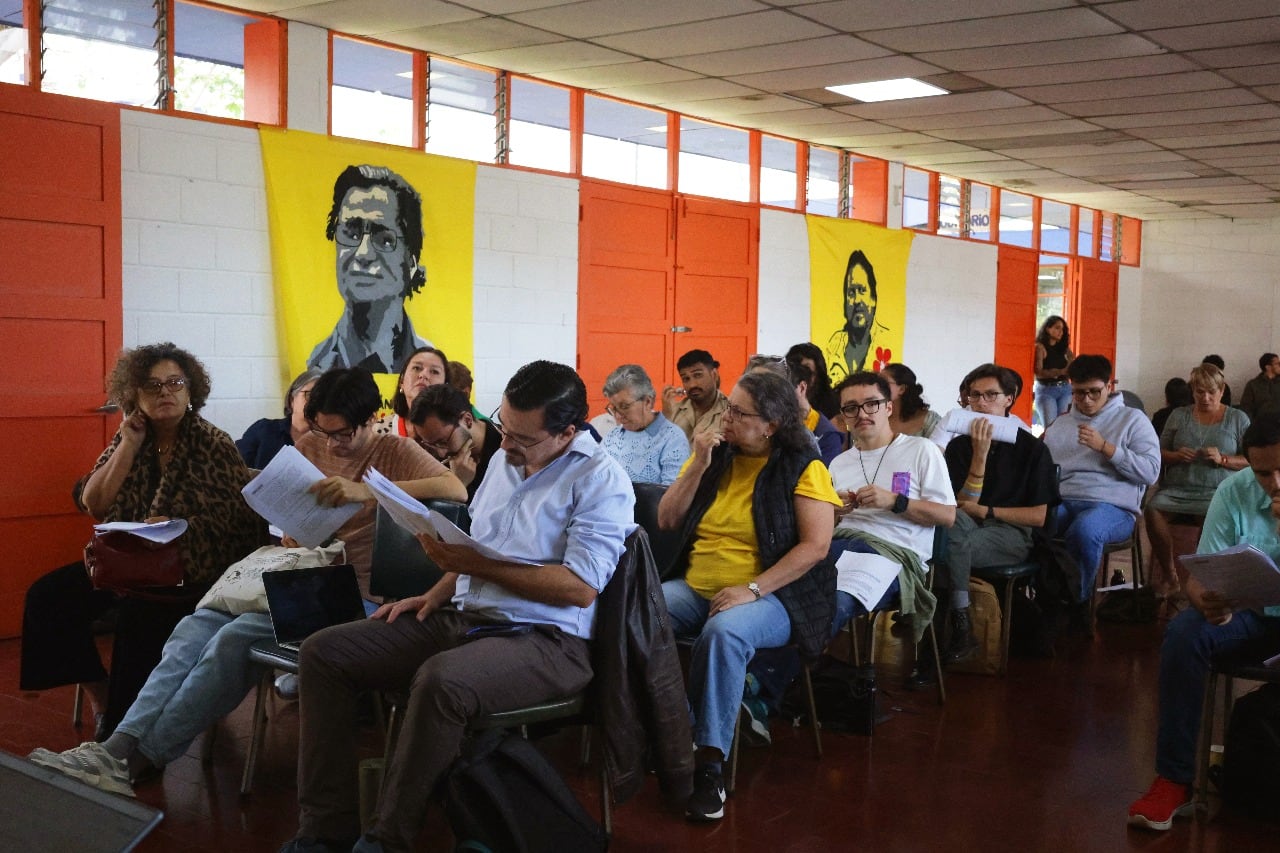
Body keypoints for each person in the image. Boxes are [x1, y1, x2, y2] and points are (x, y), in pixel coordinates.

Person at [26, 367, 465, 796]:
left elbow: (455, 489)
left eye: (343, 434)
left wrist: (368, 490)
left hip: (355, 593)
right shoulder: (312, 442)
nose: (332, 443)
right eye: (323, 431)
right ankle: (117, 747)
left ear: (370, 420)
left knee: (234, 638)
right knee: (194, 627)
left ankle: (144, 758)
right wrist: (293, 522)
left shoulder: (392, 452)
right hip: (301, 574)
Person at [278, 361, 634, 853]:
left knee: (442, 681)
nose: (504, 445)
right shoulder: (507, 464)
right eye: (503, 426)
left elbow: (580, 589)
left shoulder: (601, 479)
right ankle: (323, 829)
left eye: (522, 438)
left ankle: (386, 840)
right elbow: (476, 546)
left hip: (549, 641)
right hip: (468, 617)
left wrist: (472, 565)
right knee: (323, 654)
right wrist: (433, 593)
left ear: (567, 432)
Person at [20, 343, 266, 740]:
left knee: (139, 614)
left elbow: (232, 522)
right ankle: (103, 698)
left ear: (190, 393)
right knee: (47, 599)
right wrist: (128, 444)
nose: (164, 392)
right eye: (151, 386)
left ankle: (124, 735)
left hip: (192, 570)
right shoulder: (131, 437)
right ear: (133, 396)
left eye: (174, 383)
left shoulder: (212, 443)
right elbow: (94, 503)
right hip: (128, 562)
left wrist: (179, 526)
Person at [657, 370, 840, 822]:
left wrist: (752, 589)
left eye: (739, 412)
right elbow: (666, 519)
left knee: (724, 633)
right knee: (637, 611)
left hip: (776, 595)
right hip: (697, 586)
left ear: (772, 425)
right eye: (728, 407)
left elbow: (815, 547)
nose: (727, 417)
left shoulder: (804, 466)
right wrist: (698, 461)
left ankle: (709, 764)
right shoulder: (715, 456)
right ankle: (673, 730)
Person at [1127, 413, 1280, 832]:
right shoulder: (1235, 491)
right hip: (1250, 616)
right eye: (1264, 472)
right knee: (1184, 632)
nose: (1276, 483)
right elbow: (1199, 578)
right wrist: (1208, 601)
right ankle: (1174, 779)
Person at [827, 372, 956, 655]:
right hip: (840, 546)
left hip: (893, 556)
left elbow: (947, 516)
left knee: (835, 602)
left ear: (888, 407)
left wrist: (896, 501)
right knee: (790, 592)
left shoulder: (921, 450)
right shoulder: (838, 463)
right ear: (844, 416)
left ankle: (771, 680)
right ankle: (781, 678)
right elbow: (825, 525)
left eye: (871, 404)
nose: (861, 413)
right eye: (851, 408)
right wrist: (834, 513)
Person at [942, 364, 1058, 662]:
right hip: (967, 524)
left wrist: (988, 510)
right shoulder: (958, 447)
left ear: (1009, 398)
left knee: (950, 547)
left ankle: (955, 623)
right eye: (974, 396)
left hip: (1013, 533)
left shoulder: (1032, 449)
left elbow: (1038, 517)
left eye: (991, 395)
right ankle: (959, 623)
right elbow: (961, 505)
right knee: (948, 530)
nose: (981, 403)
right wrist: (979, 456)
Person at [1042, 355, 1161, 608]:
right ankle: (1045, 600)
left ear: (1110, 386)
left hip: (1114, 506)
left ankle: (1077, 604)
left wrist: (1106, 448)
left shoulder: (1132, 419)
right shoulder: (1061, 424)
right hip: (1065, 498)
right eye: (1079, 393)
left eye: (1094, 392)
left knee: (1085, 530)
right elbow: (1045, 471)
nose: (1086, 400)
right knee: (1036, 525)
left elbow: (1151, 472)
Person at [307, 165, 430, 374]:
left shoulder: (429, 368)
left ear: (411, 262)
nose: (363, 253)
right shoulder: (316, 366)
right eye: (351, 235)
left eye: (384, 240)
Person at [1145, 364, 1250, 599]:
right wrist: (1176, 455)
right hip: (1178, 488)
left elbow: (1252, 459)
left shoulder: (1237, 418)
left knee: (1212, 516)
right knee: (1152, 510)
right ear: (1192, 391)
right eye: (1199, 392)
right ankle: (1171, 577)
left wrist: (1223, 459)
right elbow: (1157, 451)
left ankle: (1202, 582)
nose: (1205, 397)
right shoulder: (1179, 415)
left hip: (1217, 491)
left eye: (1211, 392)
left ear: (1222, 390)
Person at [407, 383, 501, 502]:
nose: (441, 453)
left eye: (443, 442)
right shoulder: (437, 456)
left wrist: (457, 486)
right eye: (432, 445)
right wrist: (456, 483)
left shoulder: (507, 453)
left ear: (467, 420)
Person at [599, 364, 689, 486]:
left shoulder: (672, 438)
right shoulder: (611, 438)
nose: (618, 416)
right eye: (613, 408)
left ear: (647, 402)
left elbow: (671, 496)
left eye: (624, 407)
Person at [236, 368, 324, 469]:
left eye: (322, 398)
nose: (316, 402)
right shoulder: (264, 430)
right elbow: (236, 470)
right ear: (292, 399)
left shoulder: (330, 442)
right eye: (309, 395)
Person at [825, 250, 885, 380]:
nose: (857, 300)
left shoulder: (885, 339)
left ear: (873, 298)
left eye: (862, 290)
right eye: (851, 292)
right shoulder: (833, 347)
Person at [374, 345, 449, 441]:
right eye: (417, 368)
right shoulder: (378, 433)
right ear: (402, 381)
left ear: (446, 386)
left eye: (434, 371)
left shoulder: (454, 432)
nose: (423, 375)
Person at [783, 356, 843, 464]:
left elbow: (824, 478)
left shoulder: (827, 434)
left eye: (783, 390)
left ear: (802, 388)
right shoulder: (774, 423)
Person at [663, 349, 730, 441]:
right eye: (686, 379)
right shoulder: (674, 411)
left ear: (714, 374)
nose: (692, 384)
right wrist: (665, 417)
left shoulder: (730, 413)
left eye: (698, 375)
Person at [881, 363, 941, 441]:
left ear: (902, 389)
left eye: (883, 382)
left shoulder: (929, 420)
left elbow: (936, 451)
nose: (877, 386)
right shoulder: (877, 419)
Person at [1033, 315, 1074, 428]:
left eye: (1063, 329)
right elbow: (1039, 372)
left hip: (1065, 389)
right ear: (1048, 329)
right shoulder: (1040, 347)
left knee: (1064, 425)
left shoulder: (1064, 348)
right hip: (1047, 390)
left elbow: (1073, 363)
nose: (1061, 332)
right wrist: (1061, 372)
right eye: (1057, 328)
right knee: (1050, 427)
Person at [786, 341, 839, 418]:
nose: (800, 375)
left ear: (818, 375)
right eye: (795, 369)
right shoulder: (779, 399)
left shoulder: (832, 404)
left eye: (806, 370)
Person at [1239, 352, 1280, 421]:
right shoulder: (1253, 385)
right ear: (1268, 367)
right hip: (1261, 425)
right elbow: (1246, 408)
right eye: (1278, 364)